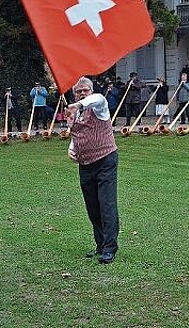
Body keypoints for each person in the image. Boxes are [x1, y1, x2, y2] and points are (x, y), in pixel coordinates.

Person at [65, 77, 120, 265]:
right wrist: (71, 149)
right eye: (78, 91)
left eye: (84, 90)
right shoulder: (75, 114)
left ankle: (110, 248)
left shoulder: (98, 104)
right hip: (85, 164)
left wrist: (78, 104)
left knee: (107, 204)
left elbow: (96, 98)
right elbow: (76, 134)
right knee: (92, 207)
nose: (81, 93)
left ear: (91, 90)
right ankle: (100, 244)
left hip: (106, 159)